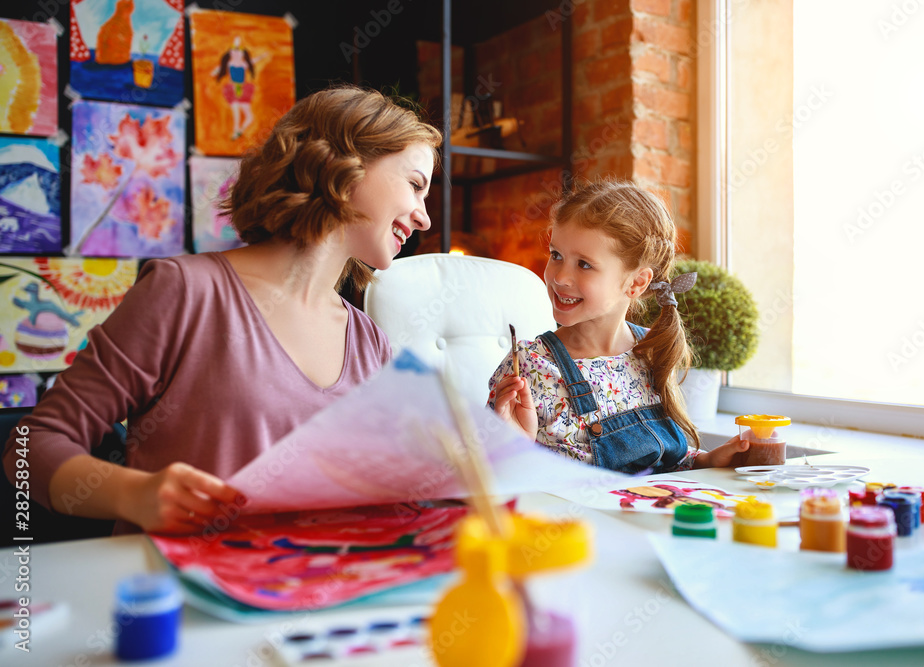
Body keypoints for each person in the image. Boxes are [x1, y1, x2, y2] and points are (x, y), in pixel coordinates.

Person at [2, 85, 441, 535]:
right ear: (344, 163)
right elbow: (31, 447)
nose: (425, 217)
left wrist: (506, 440)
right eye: (415, 184)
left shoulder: (372, 344)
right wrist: (134, 494)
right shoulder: (185, 292)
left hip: (317, 596)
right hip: (179, 598)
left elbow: (395, 496)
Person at [488, 180, 748, 473]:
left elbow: (661, 462)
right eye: (556, 255)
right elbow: (485, 480)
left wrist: (706, 461)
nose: (560, 277)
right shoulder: (528, 366)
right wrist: (512, 446)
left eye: (584, 264)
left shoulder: (651, 350)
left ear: (636, 283)